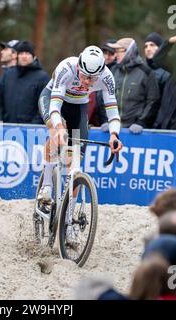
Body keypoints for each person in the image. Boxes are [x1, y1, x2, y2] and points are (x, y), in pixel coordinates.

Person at [37, 45, 122, 244]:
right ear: (79, 67)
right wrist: (57, 127)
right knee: (58, 131)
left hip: (78, 107)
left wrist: (114, 134)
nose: (87, 82)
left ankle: (68, 224)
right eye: (84, 76)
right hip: (52, 100)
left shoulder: (107, 77)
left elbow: (112, 110)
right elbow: (55, 105)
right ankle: (47, 185)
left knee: (74, 164)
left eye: (92, 79)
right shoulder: (66, 67)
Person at [0, 40, 50, 124]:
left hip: (30, 131)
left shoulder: (42, 77)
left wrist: (32, 127)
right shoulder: (7, 74)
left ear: (33, 56)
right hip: (6, 129)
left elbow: (44, 106)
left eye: (27, 53)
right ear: (17, 56)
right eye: (21, 53)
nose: (24, 56)